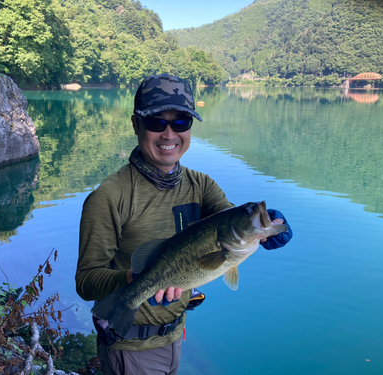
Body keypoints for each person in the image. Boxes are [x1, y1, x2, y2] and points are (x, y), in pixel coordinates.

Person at [75, 74, 292, 375]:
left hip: (176, 338)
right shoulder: (110, 197)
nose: (169, 134)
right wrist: (132, 280)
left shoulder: (201, 185)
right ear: (136, 124)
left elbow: (228, 221)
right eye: (155, 123)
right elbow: (86, 281)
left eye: (180, 123)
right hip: (130, 351)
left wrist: (268, 228)